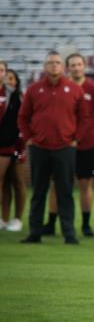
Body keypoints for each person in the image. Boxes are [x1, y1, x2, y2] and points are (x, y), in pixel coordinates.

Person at [19, 51, 86, 244]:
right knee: (38, 191)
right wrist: (28, 138)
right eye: (50, 63)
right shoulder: (33, 90)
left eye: (57, 63)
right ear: (44, 67)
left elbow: (84, 118)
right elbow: (23, 117)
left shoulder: (74, 90)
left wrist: (76, 139)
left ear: (63, 67)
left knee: (65, 192)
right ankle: (35, 232)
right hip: (39, 147)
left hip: (65, 148)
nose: (54, 66)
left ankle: (69, 233)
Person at [44, 54, 94, 237]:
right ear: (67, 67)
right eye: (73, 65)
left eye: (79, 64)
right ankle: (51, 223)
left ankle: (86, 224)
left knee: (85, 184)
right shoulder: (60, 88)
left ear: (85, 66)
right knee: (56, 183)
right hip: (62, 145)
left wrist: (79, 133)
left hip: (87, 144)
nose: (76, 68)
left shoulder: (93, 90)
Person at [1, 69, 25, 231]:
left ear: (16, 81)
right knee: (4, 184)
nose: (9, 80)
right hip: (4, 145)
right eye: (6, 77)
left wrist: (21, 146)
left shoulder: (21, 98)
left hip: (17, 146)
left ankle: (17, 219)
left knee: (17, 181)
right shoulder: (4, 98)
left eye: (12, 78)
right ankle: (4, 218)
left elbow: (24, 122)